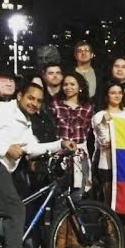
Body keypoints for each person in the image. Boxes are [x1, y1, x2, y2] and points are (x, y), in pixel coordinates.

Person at [0, 83, 76, 248]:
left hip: (1, 167)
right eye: (30, 98)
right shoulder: (2, 109)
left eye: (39, 100)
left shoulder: (25, 121)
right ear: (19, 95)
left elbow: (32, 148)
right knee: (16, 209)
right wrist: (6, 148)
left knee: (5, 213)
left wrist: (59, 144)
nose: (34, 103)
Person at [92, 81, 125, 246]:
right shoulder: (99, 115)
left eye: (119, 92)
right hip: (108, 164)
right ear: (107, 96)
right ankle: (110, 233)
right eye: (113, 92)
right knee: (109, 199)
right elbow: (104, 141)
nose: (117, 95)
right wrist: (106, 124)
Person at [50, 72, 94, 205]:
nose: (68, 87)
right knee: (59, 196)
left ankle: (74, 224)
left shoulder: (88, 107)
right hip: (59, 154)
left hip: (80, 155)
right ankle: (58, 225)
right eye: (65, 84)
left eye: (72, 84)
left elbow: (89, 131)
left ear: (80, 86)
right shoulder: (55, 105)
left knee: (78, 196)